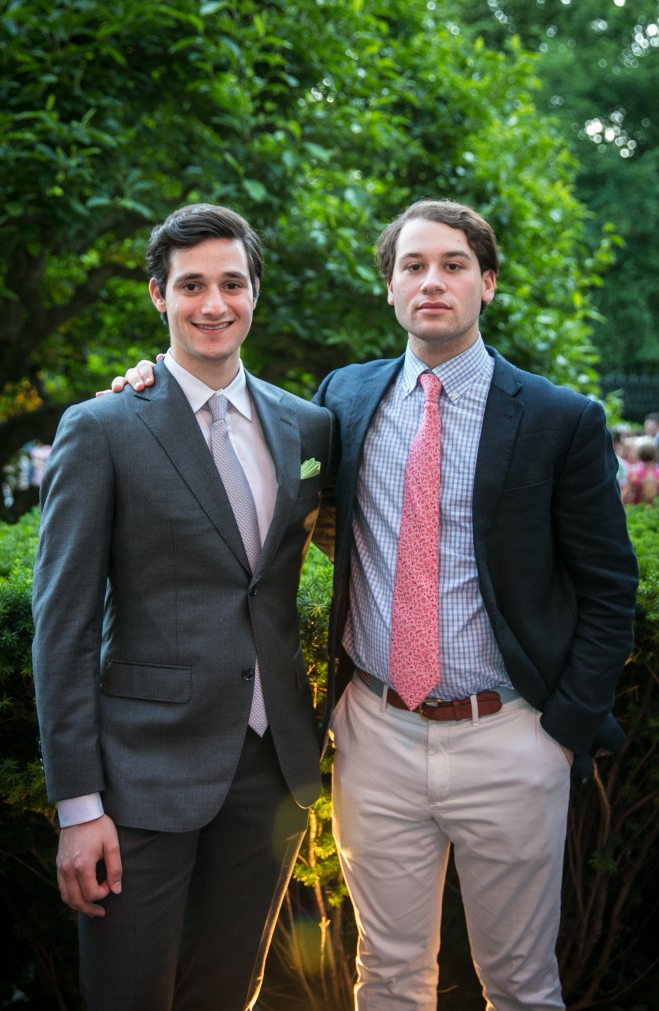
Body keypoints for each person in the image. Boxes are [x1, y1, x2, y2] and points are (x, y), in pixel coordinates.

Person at [113, 198, 638, 1011]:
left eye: (454, 265)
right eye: (412, 266)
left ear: (488, 283)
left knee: (523, 984)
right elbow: (246, 448)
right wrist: (147, 385)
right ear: (389, 287)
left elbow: (608, 587)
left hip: (509, 733)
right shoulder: (344, 399)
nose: (432, 282)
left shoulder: (560, 419)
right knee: (387, 977)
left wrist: (562, 728)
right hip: (375, 733)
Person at [31, 203, 336, 1011]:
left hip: (270, 771)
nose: (213, 303)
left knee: (228, 993)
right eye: (191, 284)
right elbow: (62, 629)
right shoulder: (102, 427)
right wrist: (78, 805)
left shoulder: (309, 426)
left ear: (255, 291)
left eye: (232, 283)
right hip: (141, 774)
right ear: (158, 295)